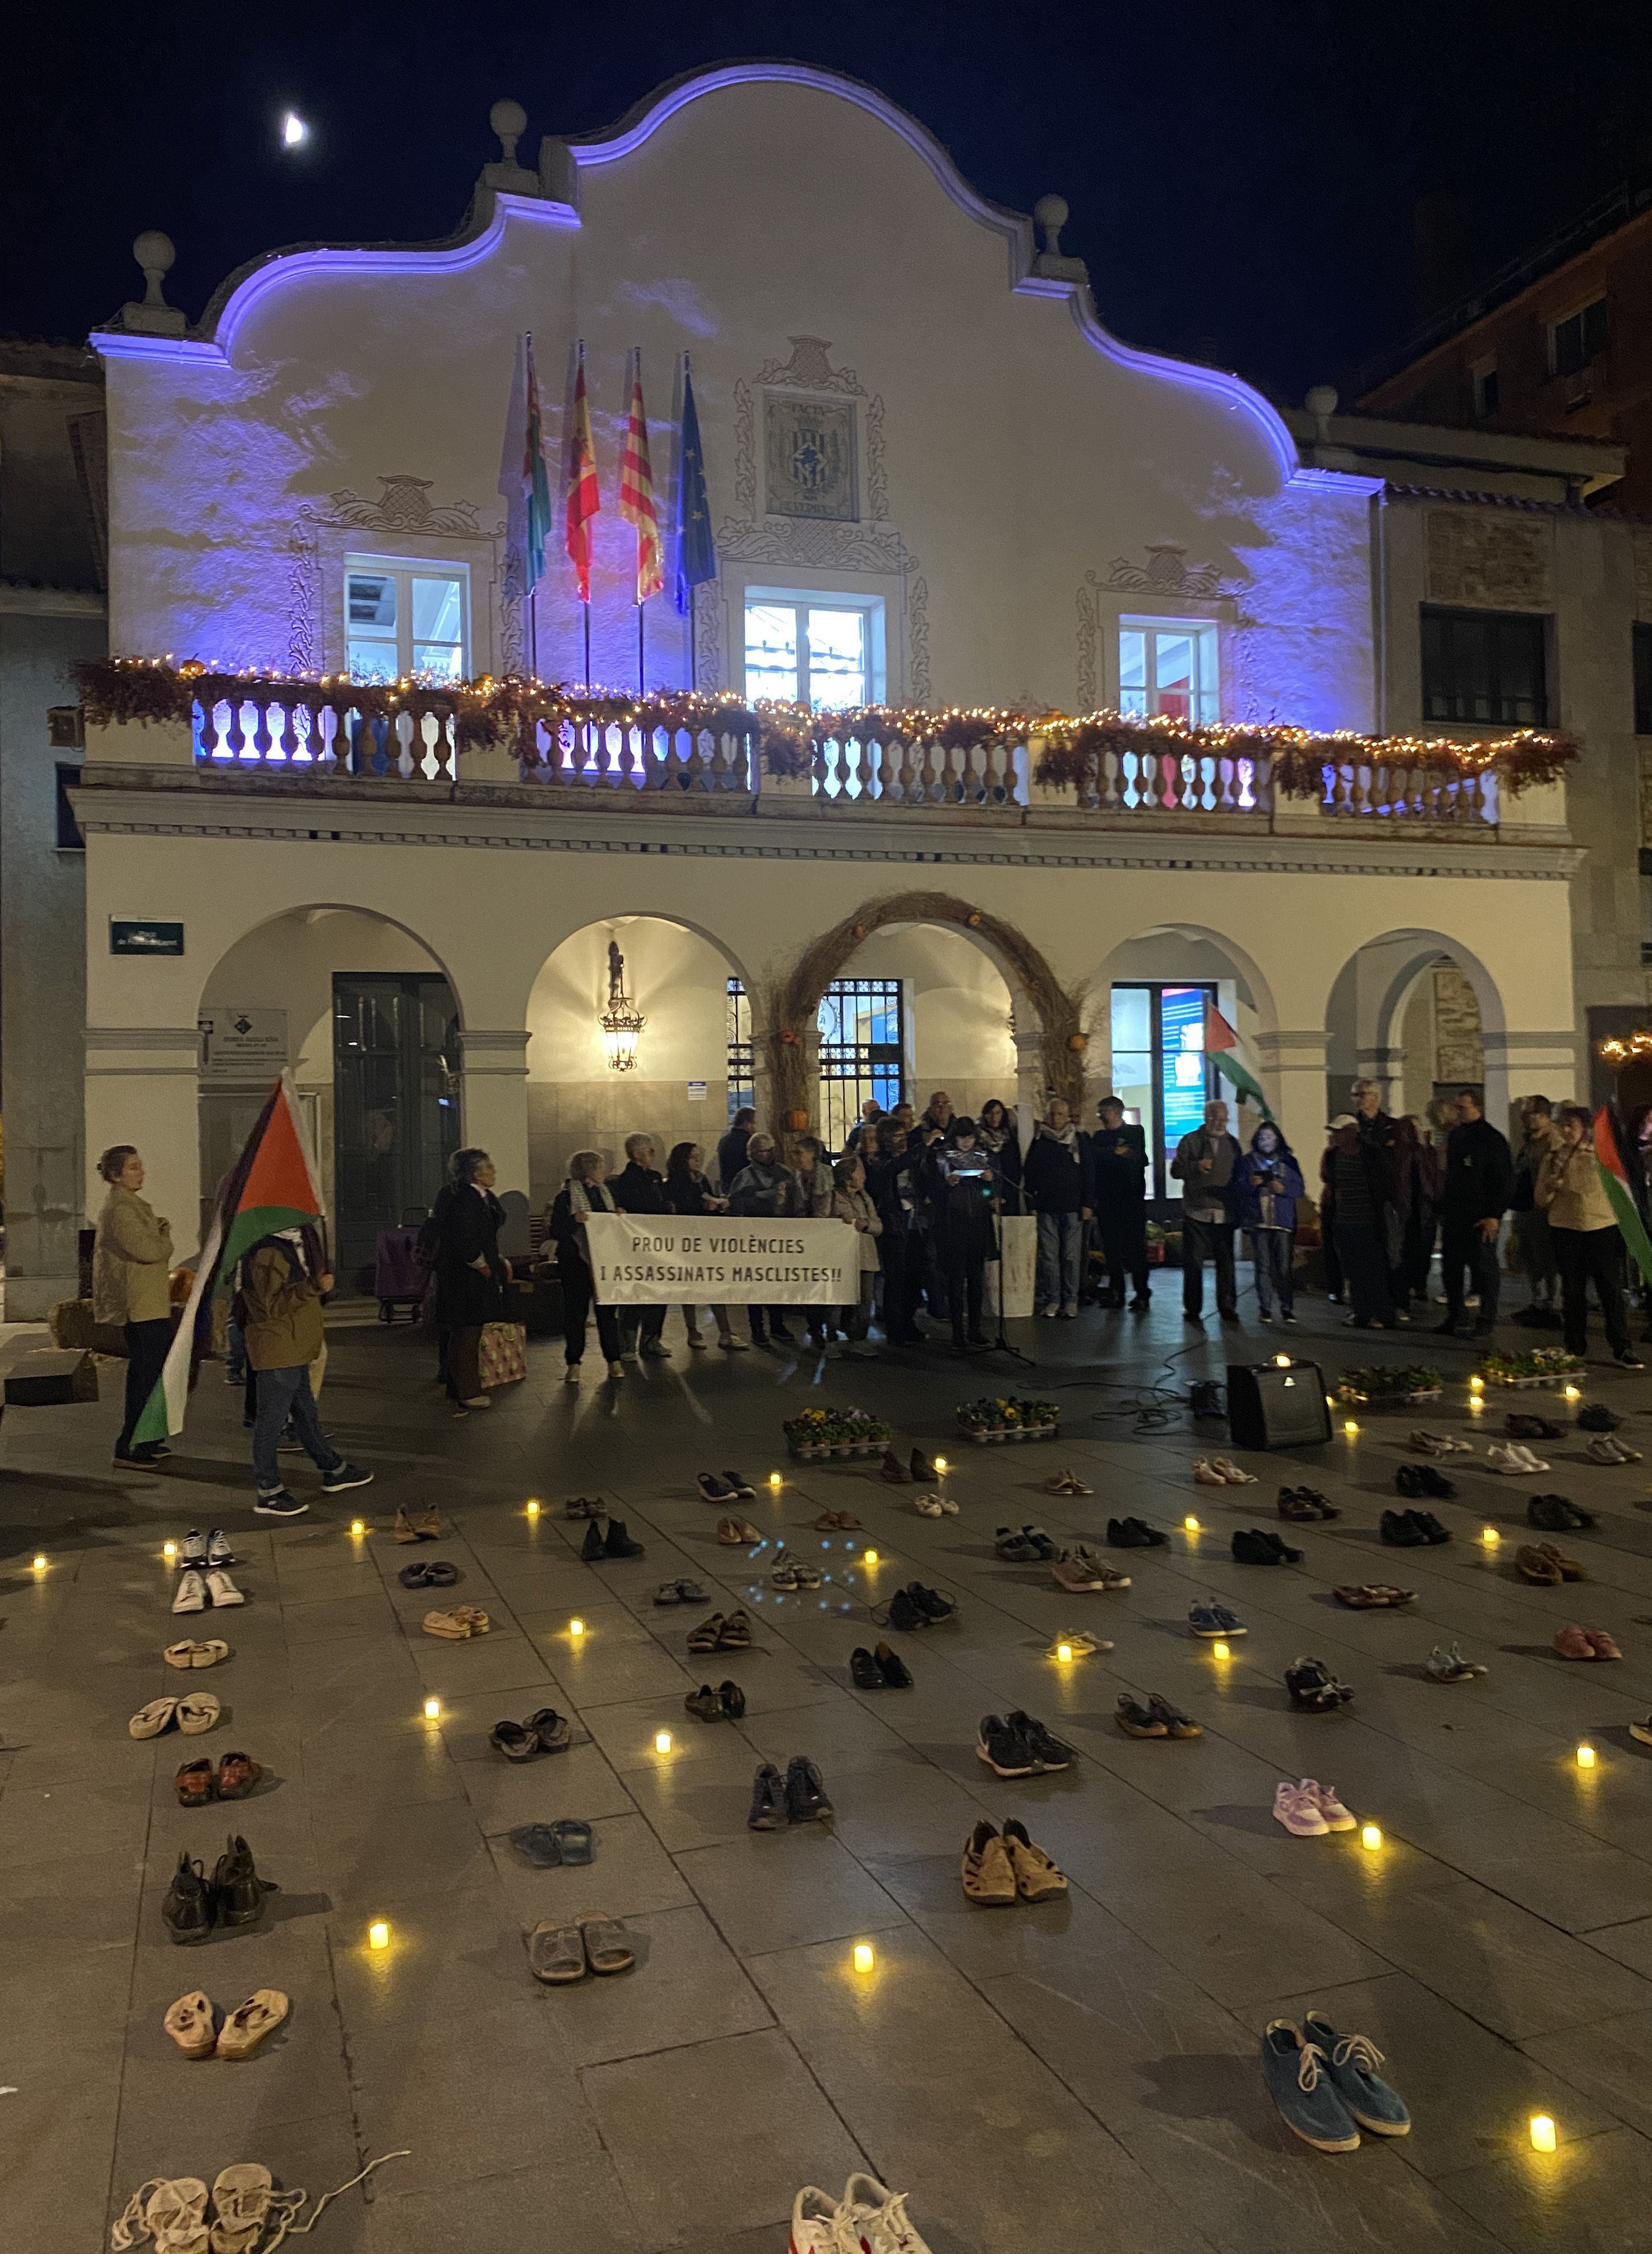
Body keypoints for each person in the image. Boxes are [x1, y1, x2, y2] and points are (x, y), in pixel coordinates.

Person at [239, 1223, 370, 1514]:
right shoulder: (267, 1252)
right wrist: (313, 1286)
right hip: (278, 1347)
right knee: (271, 1420)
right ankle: (269, 1490)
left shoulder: (295, 1244)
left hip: (294, 1344)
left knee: (305, 1413)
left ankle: (333, 1469)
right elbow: (271, 1304)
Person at [1536, 1106, 1643, 1367]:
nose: (1566, 1130)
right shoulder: (1553, 1158)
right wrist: (1552, 1183)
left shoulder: (1603, 1156)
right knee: (1572, 1292)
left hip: (1601, 1228)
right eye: (1563, 1125)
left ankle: (1622, 1347)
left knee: (1610, 1291)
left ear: (1585, 1128)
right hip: (1566, 1229)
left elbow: (1624, 1192)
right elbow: (1541, 1200)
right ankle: (1574, 1346)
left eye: (1571, 1125)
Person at [93, 1143, 175, 1472]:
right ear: (115, 1175)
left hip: (149, 1303)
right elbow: (149, 1250)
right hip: (140, 1306)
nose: (141, 1173)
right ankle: (130, 1446)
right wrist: (165, 1238)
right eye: (133, 1168)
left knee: (152, 1373)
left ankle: (148, 1438)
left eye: (140, 1167)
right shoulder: (121, 1209)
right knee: (144, 1375)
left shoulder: (130, 1205)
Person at [1435, 1089, 1514, 1339]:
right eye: (1456, 1108)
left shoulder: (1492, 1140)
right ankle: (1456, 1314)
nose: (1458, 1112)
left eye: (1463, 1108)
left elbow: (1503, 1181)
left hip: (1480, 1216)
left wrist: (1494, 1214)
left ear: (1477, 1108)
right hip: (1455, 1214)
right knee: (1451, 1268)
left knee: (1484, 1269)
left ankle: (1486, 1318)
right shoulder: (1457, 1135)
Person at [435, 1147, 509, 1407]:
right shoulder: (465, 1199)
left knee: (469, 1330)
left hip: (469, 1274)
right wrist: (481, 1264)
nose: (494, 1173)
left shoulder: (480, 1196)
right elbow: (464, 1237)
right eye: (488, 1169)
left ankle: (460, 1386)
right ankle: (468, 1391)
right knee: (466, 1331)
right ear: (475, 1174)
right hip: (465, 1277)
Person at [547, 1150, 625, 1381]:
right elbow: (555, 1231)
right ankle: (574, 1362)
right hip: (576, 1262)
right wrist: (574, 1221)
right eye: (600, 1167)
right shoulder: (566, 1197)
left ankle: (614, 1359)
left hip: (603, 1261)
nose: (604, 1172)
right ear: (589, 1171)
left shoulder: (606, 1193)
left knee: (608, 1313)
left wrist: (618, 1215)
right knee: (576, 1313)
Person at [726, 1131, 803, 1344]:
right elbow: (736, 1204)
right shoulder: (746, 1176)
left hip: (780, 1234)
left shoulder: (784, 1172)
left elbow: (795, 1200)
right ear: (752, 1153)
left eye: (770, 1150)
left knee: (776, 1282)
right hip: (755, 1235)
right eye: (762, 1151)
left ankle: (777, 1324)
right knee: (756, 1284)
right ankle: (757, 1328)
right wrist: (765, 1195)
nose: (767, 1155)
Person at [665, 1141, 744, 1351]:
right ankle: (693, 1330)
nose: (698, 1161)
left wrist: (716, 1207)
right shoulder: (675, 1183)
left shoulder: (702, 1180)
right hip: (687, 1240)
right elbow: (679, 1210)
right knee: (689, 1286)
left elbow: (707, 1202)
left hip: (706, 1239)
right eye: (693, 1157)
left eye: (699, 1157)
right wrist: (703, 1206)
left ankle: (725, 1331)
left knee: (714, 1283)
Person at [1321, 1113, 1395, 1328]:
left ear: (1352, 1133)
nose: (1335, 1136)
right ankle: (1360, 1311)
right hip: (1343, 1221)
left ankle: (1381, 1314)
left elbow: (1384, 1184)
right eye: (1334, 1132)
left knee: (1373, 1270)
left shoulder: (1371, 1154)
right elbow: (1329, 1182)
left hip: (1368, 1221)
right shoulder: (1333, 1156)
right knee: (1352, 1271)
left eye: (1339, 1132)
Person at [1171, 1099, 1240, 1324]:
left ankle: (1228, 1307)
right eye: (1216, 1118)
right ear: (1206, 1117)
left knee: (1226, 1263)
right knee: (1194, 1262)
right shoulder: (1191, 1141)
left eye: (1224, 1119)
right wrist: (1195, 1167)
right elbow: (1175, 1170)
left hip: (1224, 1213)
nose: (1221, 1123)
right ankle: (1192, 1309)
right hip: (1196, 1211)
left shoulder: (1233, 1144)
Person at [932, 1119, 996, 1352]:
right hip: (953, 1227)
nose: (966, 1143)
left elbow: (989, 1194)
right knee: (956, 1282)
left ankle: (975, 1329)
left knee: (976, 1280)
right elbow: (935, 1196)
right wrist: (947, 1185)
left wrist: (989, 1184)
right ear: (954, 1138)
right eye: (962, 1138)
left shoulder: (983, 1157)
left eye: (970, 1138)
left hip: (978, 1224)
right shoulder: (941, 1158)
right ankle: (958, 1332)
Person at [1024, 1097, 1091, 1317]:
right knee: (1050, 1256)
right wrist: (1032, 1203)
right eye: (1052, 1114)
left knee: (1071, 1256)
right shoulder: (1040, 1142)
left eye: (1060, 1114)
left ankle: (1071, 1299)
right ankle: (1053, 1298)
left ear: (1068, 1116)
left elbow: (1089, 1174)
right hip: (1046, 1207)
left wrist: (1088, 1203)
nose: (1056, 1118)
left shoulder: (1079, 1140)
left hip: (1073, 1207)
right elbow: (1030, 1175)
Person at [1235, 1121, 1304, 1325]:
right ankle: (1265, 1307)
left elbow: (1299, 1189)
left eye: (1270, 1137)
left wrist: (1283, 1190)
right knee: (1263, 1266)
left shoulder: (1289, 1162)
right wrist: (1251, 1184)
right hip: (1259, 1221)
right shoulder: (1248, 1162)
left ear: (1278, 1139)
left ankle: (1287, 1307)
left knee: (1283, 1267)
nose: (1266, 1141)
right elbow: (1239, 1188)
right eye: (1262, 1137)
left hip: (1282, 1222)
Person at [611, 1133, 672, 1359]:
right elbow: (640, 1206)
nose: (654, 1155)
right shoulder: (626, 1180)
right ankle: (627, 1344)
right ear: (637, 1154)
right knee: (637, 1292)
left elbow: (664, 1203)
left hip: (659, 1241)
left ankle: (652, 1339)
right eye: (650, 1151)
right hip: (637, 1244)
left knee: (660, 1292)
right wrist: (661, 1208)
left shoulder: (656, 1177)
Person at [1088, 1097, 1150, 1310]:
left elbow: (1138, 1159)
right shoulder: (1099, 1137)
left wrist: (1110, 1156)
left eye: (1103, 1111)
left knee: (1136, 1249)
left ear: (1117, 1111)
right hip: (1107, 1201)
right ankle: (1117, 1292)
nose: (1100, 1116)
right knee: (1111, 1249)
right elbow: (1094, 1158)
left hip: (1132, 1200)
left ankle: (1142, 1293)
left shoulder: (1135, 1132)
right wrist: (1115, 1153)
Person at [866, 1122, 925, 1344]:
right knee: (896, 1278)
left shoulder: (914, 1157)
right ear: (886, 1139)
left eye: (904, 1136)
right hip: (894, 1224)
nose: (902, 1140)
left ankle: (910, 1322)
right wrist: (920, 1149)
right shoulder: (879, 1160)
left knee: (915, 1276)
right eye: (896, 1136)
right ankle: (895, 1327)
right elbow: (893, 1168)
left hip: (916, 1221)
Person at [1511, 1095, 1562, 1325]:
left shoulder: (1553, 1140)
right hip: (1527, 1207)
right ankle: (1538, 1301)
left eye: (1529, 1114)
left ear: (1543, 1115)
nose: (1525, 1119)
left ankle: (1552, 1305)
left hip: (1545, 1209)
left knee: (1548, 1258)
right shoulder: (1531, 1140)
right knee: (1530, 1255)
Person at [833, 1154, 883, 1355]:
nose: (863, 1175)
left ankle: (859, 1338)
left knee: (865, 1300)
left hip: (866, 1256)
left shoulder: (865, 1197)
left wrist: (867, 1225)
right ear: (847, 1178)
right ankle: (832, 1340)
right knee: (838, 1300)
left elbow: (878, 1226)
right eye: (859, 1171)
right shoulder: (834, 1197)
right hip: (843, 1257)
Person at [1393, 1115, 1442, 1315]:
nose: (1415, 1133)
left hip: (1425, 1205)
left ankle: (1419, 1283)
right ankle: (1405, 1288)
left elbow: (1434, 1175)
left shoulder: (1428, 1151)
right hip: (1406, 1205)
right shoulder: (1398, 1152)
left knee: (1424, 1245)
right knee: (1405, 1248)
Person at [794, 1135, 839, 1351]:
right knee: (812, 1286)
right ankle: (815, 1328)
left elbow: (829, 1206)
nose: (797, 1157)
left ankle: (832, 1328)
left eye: (799, 1153)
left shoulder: (827, 1176)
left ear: (812, 1154)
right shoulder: (797, 1177)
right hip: (807, 1237)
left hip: (826, 1235)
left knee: (828, 1284)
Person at [977, 1098, 1022, 1208]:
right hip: (986, 1189)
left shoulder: (1010, 1139)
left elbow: (1016, 1167)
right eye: (990, 1113)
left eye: (998, 1113)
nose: (994, 1117)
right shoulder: (979, 1139)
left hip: (1008, 1191)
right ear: (985, 1115)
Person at [717, 1106, 756, 1196]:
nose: (754, 1127)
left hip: (727, 1187)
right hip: (745, 1189)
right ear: (746, 1123)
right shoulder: (749, 1141)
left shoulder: (724, 1140)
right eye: (753, 1123)